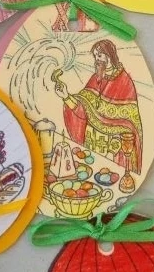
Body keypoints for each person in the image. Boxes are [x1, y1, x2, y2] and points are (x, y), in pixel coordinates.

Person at [54, 40, 143, 173]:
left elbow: (129, 123)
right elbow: (82, 109)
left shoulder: (125, 81)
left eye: (99, 55)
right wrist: (66, 96)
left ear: (109, 56)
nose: (97, 60)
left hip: (115, 149)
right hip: (92, 145)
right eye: (95, 56)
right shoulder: (95, 78)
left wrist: (113, 144)